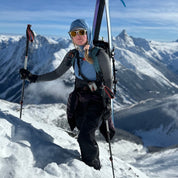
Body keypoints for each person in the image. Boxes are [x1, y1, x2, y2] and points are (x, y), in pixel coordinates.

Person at [20, 19, 115, 170]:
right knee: (82, 132)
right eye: (74, 33)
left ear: (87, 33)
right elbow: (57, 73)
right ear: (71, 36)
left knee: (85, 136)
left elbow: (109, 81)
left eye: (81, 32)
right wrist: (33, 78)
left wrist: (108, 105)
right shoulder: (72, 55)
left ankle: (93, 168)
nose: (78, 36)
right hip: (80, 100)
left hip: (97, 102)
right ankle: (88, 163)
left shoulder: (99, 55)